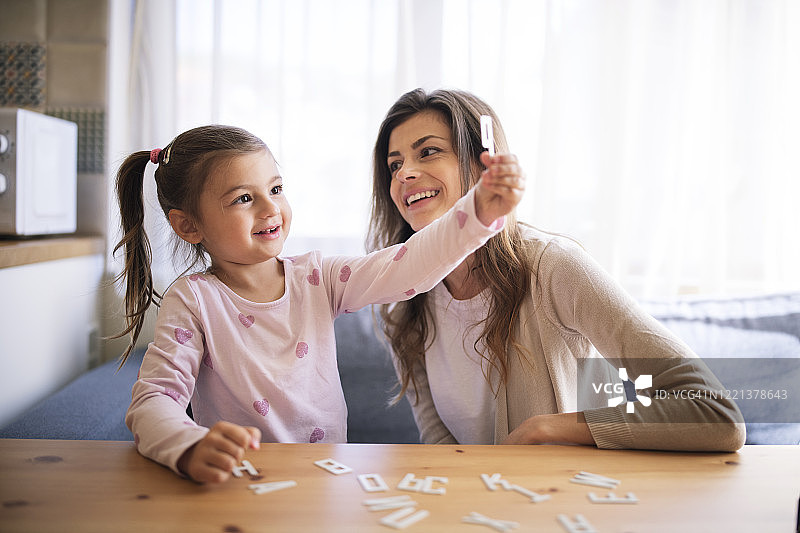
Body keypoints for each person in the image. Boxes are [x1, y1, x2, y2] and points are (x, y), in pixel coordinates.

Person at [114, 124, 524, 483]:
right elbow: (153, 402)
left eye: (275, 189)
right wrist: (188, 447)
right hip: (238, 485)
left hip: (324, 483)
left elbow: (406, 266)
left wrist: (478, 213)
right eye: (243, 199)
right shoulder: (193, 300)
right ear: (188, 225)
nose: (271, 207)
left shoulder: (318, 277)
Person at [367, 88, 745, 451]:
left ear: (482, 163)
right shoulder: (400, 299)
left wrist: (546, 428)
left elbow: (715, 413)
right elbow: (438, 440)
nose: (404, 174)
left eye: (428, 152)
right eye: (395, 164)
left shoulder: (553, 268)